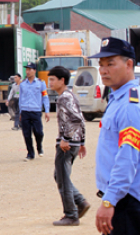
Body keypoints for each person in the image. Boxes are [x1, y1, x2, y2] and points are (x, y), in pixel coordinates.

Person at [89, 37, 140, 235]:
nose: (103, 70)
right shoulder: (121, 97)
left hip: (124, 199)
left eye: (110, 64)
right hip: (123, 195)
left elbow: (128, 158)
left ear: (129, 64)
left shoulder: (130, 104)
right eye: (101, 65)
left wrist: (110, 200)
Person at [48, 66, 90, 226]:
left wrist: (66, 138)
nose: (50, 82)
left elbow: (76, 120)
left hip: (66, 144)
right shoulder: (71, 95)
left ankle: (71, 215)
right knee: (59, 176)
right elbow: (81, 119)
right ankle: (80, 201)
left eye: (52, 79)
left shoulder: (63, 98)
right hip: (74, 142)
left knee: (63, 179)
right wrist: (82, 142)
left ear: (62, 80)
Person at [19, 62, 50, 161]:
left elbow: (45, 97)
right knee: (26, 134)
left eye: (30, 69)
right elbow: (20, 98)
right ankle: (30, 153)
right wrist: (20, 112)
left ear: (34, 71)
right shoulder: (23, 84)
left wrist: (47, 111)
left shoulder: (41, 83)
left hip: (36, 111)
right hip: (25, 111)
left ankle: (39, 146)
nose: (27, 71)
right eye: (26, 69)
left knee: (39, 132)